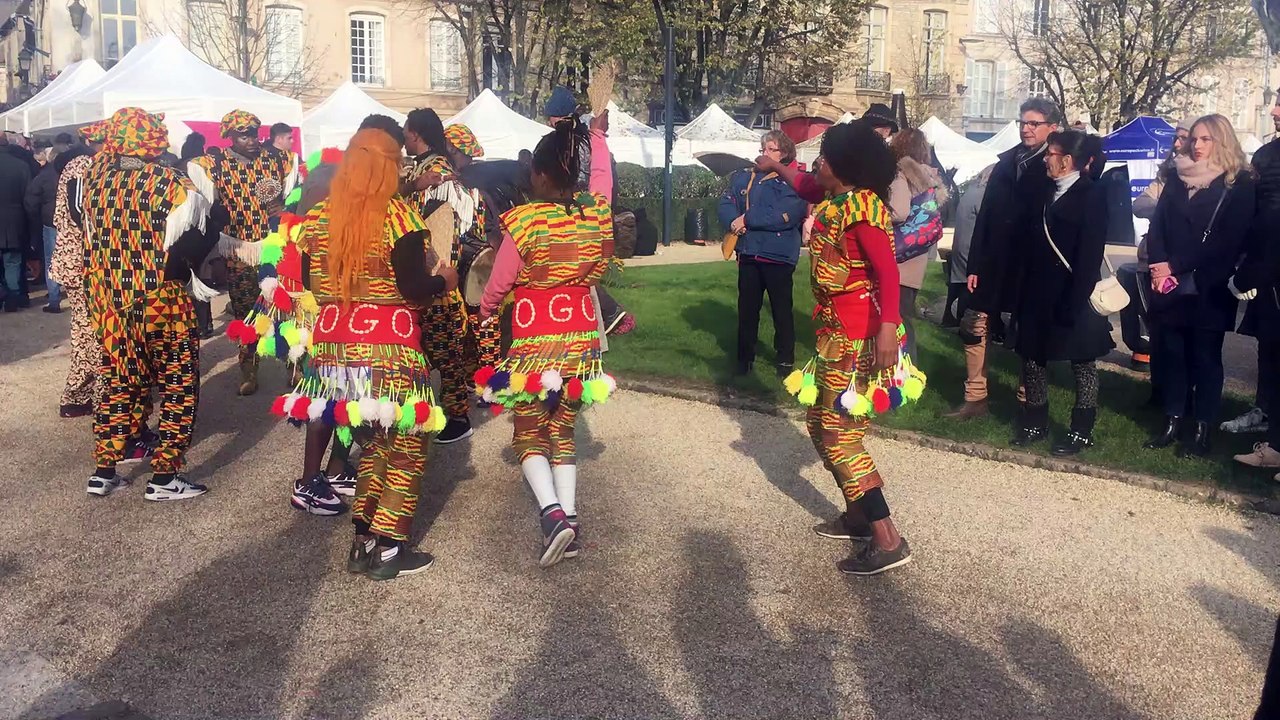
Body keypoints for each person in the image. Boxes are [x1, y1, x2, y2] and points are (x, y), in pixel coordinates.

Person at [286, 128, 455, 579]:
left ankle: (363, 542)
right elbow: (414, 290)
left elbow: (310, 282)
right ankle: (390, 548)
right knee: (406, 445)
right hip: (388, 352)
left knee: (375, 443)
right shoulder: (398, 217)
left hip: (333, 357)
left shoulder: (318, 217)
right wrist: (445, 281)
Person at [758, 120, 921, 576]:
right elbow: (805, 184)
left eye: (826, 158)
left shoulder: (862, 209)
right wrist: (776, 165)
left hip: (860, 338)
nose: (818, 164)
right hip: (835, 336)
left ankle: (888, 539)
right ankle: (857, 517)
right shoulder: (837, 195)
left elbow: (887, 272)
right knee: (819, 424)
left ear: (845, 167)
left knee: (840, 435)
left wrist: (887, 328)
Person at [477, 110, 615, 569]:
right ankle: (570, 519)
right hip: (581, 341)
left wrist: (485, 310)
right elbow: (602, 179)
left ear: (537, 174)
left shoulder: (525, 221)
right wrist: (598, 138)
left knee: (528, 430)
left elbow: (501, 280)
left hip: (535, 340)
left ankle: (553, 515)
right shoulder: (595, 215)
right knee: (564, 428)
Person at [78, 107, 225, 500]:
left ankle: (103, 471)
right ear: (153, 140)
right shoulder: (170, 182)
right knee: (178, 383)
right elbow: (201, 228)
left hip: (111, 302)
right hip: (161, 301)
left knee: (118, 382)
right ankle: (164, 477)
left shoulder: (93, 180)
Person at [1145, 114, 1256, 458]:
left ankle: (1202, 428)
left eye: (1206, 139)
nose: (1196, 145)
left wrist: (1174, 265)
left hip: (1209, 285)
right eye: (1194, 138)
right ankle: (1172, 420)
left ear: (1222, 141)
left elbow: (1228, 240)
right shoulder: (1177, 176)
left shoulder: (1238, 183)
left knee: (1206, 358)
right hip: (1170, 283)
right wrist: (1158, 265)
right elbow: (1158, 224)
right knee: (1174, 354)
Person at [947, 98, 1061, 420]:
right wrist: (974, 265)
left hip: (1032, 263)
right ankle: (975, 398)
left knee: (1028, 331)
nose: (1026, 129)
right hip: (994, 261)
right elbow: (985, 215)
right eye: (1023, 122)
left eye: (1034, 123)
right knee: (973, 322)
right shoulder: (1006, 162)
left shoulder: (1056, 164)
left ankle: (1028, 401)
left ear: (1052, 127)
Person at [1010, 130, 1114, 455]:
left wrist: (1075, 299)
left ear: (1067, 160)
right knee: (1033, 358)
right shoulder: (1043, 190)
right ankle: (1035, 421)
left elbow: (1090, 254)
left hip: (1072, 291)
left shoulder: (1092, 194)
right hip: (1037, 289)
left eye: (1050, 154)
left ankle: (1082, 430)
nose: (1045, 159)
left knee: (1082, 363)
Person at [187, 110, 294, 396]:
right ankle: (249, 369)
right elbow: (193, 174)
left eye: (254, 134)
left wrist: (285, 207)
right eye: (243, 136)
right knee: (246, 312)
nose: (251, 140)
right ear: (230, 137)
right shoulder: (215, 164)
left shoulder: (277, 158)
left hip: (274, 245)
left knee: (284, 308)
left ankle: (294, 365)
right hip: (238, 249)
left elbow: (294, 193)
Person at [402, 107, 476, 445]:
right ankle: (425, 412)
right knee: (424, 351)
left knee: (445, 353)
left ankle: (458, 418)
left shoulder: (439, 172)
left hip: (436, 276)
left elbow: (448, 228)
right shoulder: (419, 169)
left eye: (406, 131)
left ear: (415, 134)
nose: (404, 137)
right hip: (422, 276)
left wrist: (440, 273)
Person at [544, 87, 633, 336]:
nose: (549, 122)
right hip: (588, 215)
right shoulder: (586, 139)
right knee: (576, 274)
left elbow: (591, 182)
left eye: (552, 117)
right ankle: (605, 317)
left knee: (573, 273)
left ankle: (610, 315)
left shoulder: (576, 143)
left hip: (580, 216)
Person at [718, 129, 807, 377]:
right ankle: (744, 359)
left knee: (781, 310)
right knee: (747, 310)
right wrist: (733, 220)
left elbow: (785, 215)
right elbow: (726, 201)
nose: (764, 154)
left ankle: (785, 360)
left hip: (778, 255)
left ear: (784, 153)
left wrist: (747, 219)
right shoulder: (746, 177)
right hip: (749, 252)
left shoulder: (794, 181)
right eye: (763, 149)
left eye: (771, 149)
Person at [1223, 99, 1280, 438]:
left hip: (1271, 263)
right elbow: (1255, 213)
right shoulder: (1266, 155)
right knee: (1268, 344)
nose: (1274, 112)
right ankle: (1265, 410)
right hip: (1264, 268)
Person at [51, 123, 105, 417]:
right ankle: (91, 395)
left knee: (88, 332)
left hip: (83, 262)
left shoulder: (84, 163)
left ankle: (81, 395)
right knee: (92, 332)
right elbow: (80, 212)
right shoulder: (84, 165)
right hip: (82, 263)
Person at [888, 128, 949, 361]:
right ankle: (907, 367)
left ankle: (904, 369)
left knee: (896, 320)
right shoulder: (929, 177)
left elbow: (899, 211)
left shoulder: (900, 173)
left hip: (898, 256)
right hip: (916, 256)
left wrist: (876, 211)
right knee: (905, 316)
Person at [946, 165, 994, 328]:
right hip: (970, 246)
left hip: (961, 243)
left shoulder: (971, 191)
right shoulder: (982, 195)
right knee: (970, 285)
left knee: (958, 283)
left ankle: (950, 318)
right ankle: (965, 321)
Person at [25, 144, 62, 313]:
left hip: (50, 221)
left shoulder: (44, 176)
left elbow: (31, 199)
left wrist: (36, 218)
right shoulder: (73, 173)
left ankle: (54, 299)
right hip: (71, 221)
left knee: (51, 260)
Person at [0, 132, 33, 312]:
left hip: (12, 218)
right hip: (15, 220)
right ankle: (12, 297)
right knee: (13, 262)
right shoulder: (21, 166)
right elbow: (28, 199)